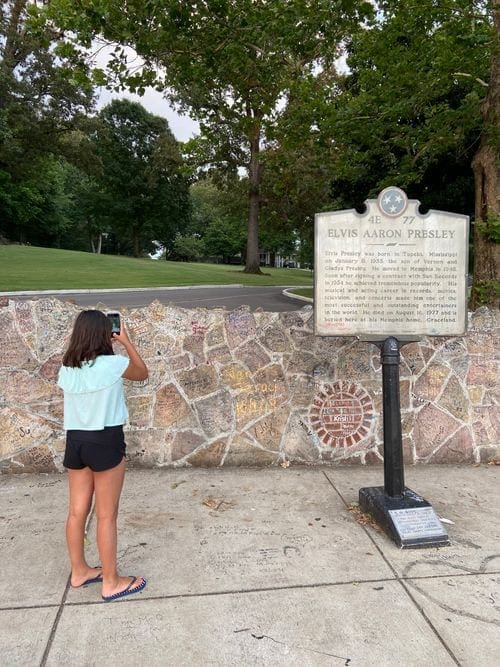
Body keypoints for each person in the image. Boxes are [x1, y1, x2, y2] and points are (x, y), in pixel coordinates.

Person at [57, 309, 148, 602]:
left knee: (76, 511)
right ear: (104, 333)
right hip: (105, 440)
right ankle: (111, 581)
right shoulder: (113, 364)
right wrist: (127, 341)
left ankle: (79, 571)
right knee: (107, 515)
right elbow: (142, 373)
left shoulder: (68, 367)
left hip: (76, 441)